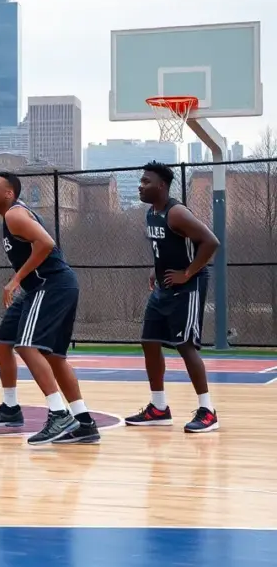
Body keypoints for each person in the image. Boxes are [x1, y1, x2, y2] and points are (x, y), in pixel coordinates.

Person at [0, 172, 100, 445]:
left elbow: (47, 243)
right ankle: (84, 423)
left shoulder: (14, 215)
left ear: (9, 194)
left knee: (27, 346)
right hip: (46, 287)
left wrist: (16, 279)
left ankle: (59, 414)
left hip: (51, 285)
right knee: (7, 342)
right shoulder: (10, 217)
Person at [125, 161, 219, 433]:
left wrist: (188, 272)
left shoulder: (176, 212)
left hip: (187, 286)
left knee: (185, 345)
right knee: (149, 341)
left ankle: (208, 411)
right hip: (164, 286)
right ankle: (158, 408)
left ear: (162, 186)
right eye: (140, 182)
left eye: (146, 182)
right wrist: (156, 272)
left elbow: (211, 241)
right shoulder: (151, 213)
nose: (141, 186)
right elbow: (163, 247)